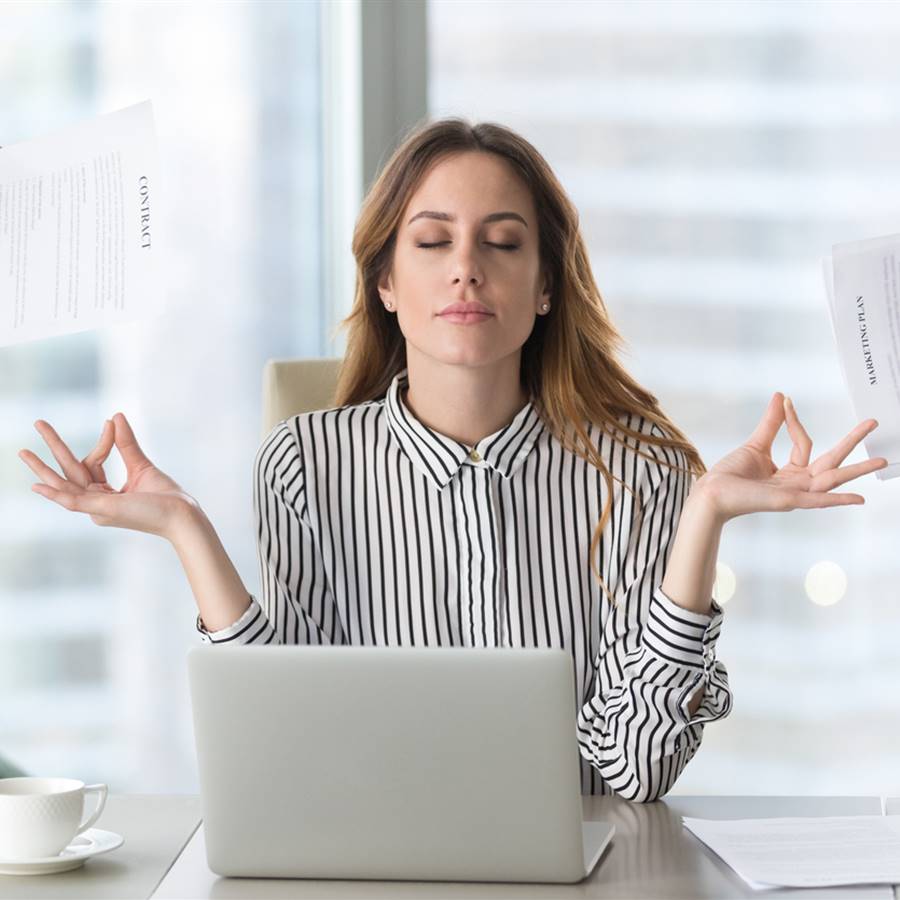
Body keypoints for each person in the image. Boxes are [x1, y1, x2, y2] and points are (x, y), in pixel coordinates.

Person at [18, 118, 886, 802]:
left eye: (502, 243)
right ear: (387, 285)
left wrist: (703, 519)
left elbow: (634, 769)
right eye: (432, 242)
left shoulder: (641, 472)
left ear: (545, 287)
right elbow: (287, 745)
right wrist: (185, 529)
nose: (466, 269)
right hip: (368, 868)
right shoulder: (303, 463)